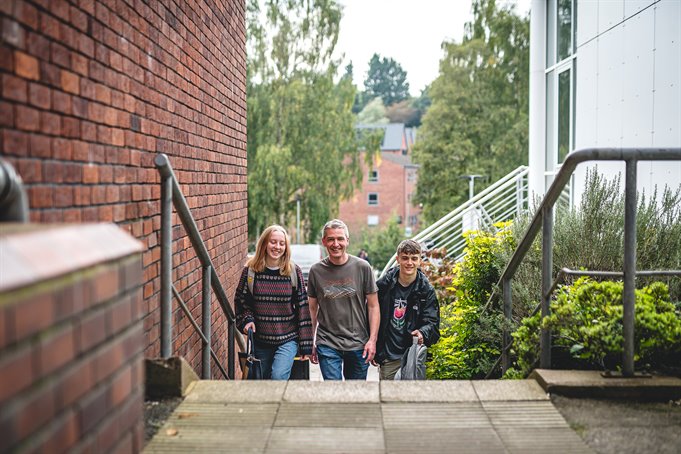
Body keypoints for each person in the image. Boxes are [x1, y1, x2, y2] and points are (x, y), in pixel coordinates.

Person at [235, 225, 313, 379]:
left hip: (287, 339)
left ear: (286, 247)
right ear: (264, 243)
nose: (277, 247)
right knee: (261, 383)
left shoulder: (293, 271)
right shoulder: (250, 272)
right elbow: (242, 301)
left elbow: (303, 308)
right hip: (261, 341)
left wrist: (305, 345)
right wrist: (247, 320)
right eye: (273, 242)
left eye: (281, 243)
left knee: (278, 377)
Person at [307, 219, 380, 380]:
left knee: (355, 395)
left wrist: (372, 340)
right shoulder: (316, 271)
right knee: (334, 392)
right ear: (324, 242)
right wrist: (310, 340)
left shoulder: (362, 268)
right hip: (327, 343)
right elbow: (312, 308)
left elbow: (374, 307)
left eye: (340, 239)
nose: (336, 244)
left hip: (358, 343)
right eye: (331, 239)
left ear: (347, 240)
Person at [373, 239, 440, 380]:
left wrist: (422, 332)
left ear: (420, 260)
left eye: (414, 258)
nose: (409, 263)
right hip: (388, 356)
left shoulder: (426, 290)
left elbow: (433, 323)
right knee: (388, 398)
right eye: (405, 258)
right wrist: (375, 347)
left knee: (409, 399)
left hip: (413, 354)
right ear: (397, 259)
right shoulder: (383, 286)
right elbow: (371, 315)